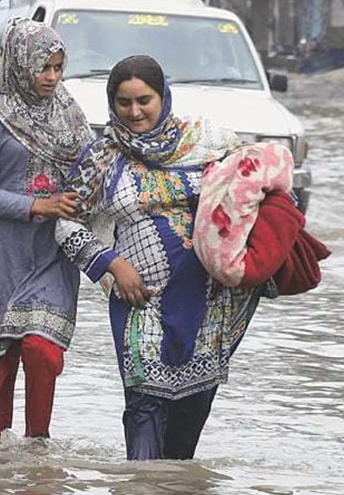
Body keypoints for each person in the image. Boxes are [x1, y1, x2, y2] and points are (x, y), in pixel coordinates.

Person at [55, 56, 258, 460]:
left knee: (191, 411)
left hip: (208, 302)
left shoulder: (207, 142)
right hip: (138, 299)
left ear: (163, 96)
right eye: (124, 103)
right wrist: (111, 263)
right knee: (144, 407)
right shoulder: (102, 158)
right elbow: (64, 223)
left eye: (144, 100)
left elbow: (256, 187)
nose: (134, 112)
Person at [0, 19, 93, 449]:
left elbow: (93, 171)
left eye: (58, 68)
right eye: (44, 68)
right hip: (0, 255)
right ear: (21, 65)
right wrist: (38, 206)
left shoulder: (70, 114)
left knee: (44, 352)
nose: (52, 78)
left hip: (52, 254)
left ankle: (38, 448)